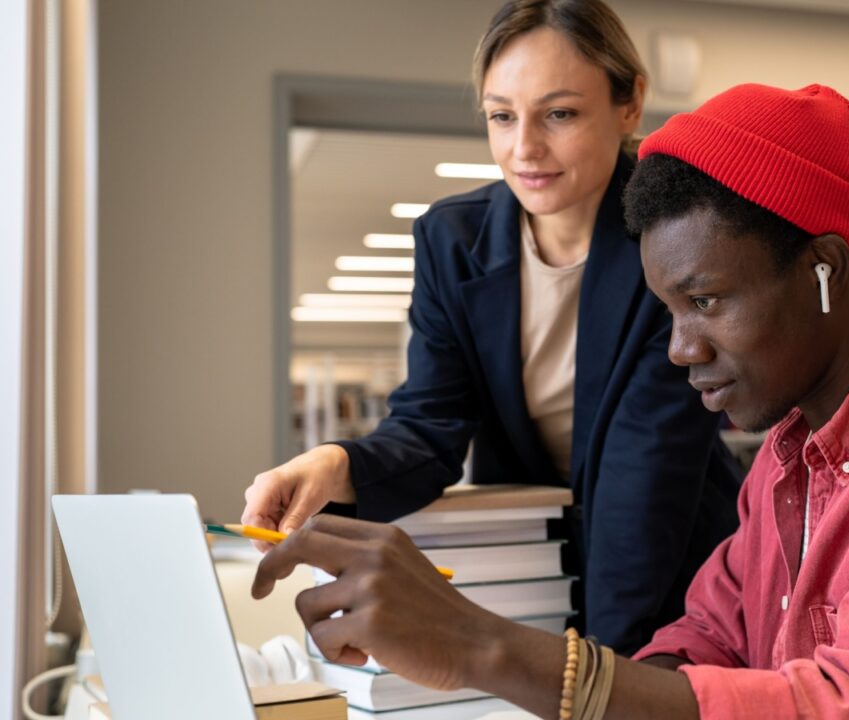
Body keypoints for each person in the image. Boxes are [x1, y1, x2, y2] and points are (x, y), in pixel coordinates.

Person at [252, 82, 849, 719]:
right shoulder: (787, 465)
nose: (680, 347)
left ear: (825, 270)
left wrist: (484, 647)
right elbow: (698, 639)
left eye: (707, 300)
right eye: (670, 310)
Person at [241, 0, 742, 655]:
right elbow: (428, 430)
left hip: (679, 569)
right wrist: (335, 464)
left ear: (629, 103)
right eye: (502, 116)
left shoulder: (674, 236)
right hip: (531, 568)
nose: (524, 148)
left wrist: (596, 674)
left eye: (559, 114)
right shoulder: (453, 241)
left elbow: (644, 479)